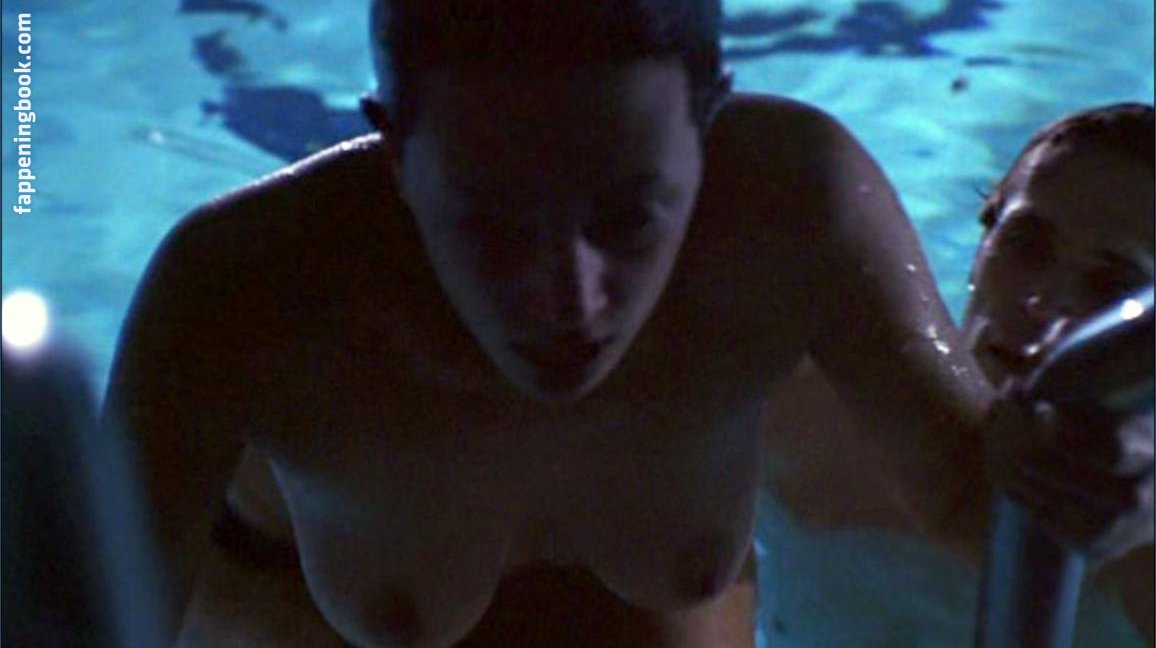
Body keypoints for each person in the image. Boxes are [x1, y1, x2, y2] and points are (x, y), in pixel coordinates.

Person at [101, 0, 1152, 645]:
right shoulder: (240, 291)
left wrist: (1100, 481)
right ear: (392, 151)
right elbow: (82, 620)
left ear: (710, 127)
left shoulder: (795, 213)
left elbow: (974, 499)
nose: (567, 300)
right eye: (490, 223)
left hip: (626, 604)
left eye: (630, 214)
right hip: (297, 603)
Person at [763, 103, 1155, 644]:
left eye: (1109, 285)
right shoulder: (805, 415)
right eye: (1026, 245)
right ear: (982, 242)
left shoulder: (1138, 525)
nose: (1041, 302)